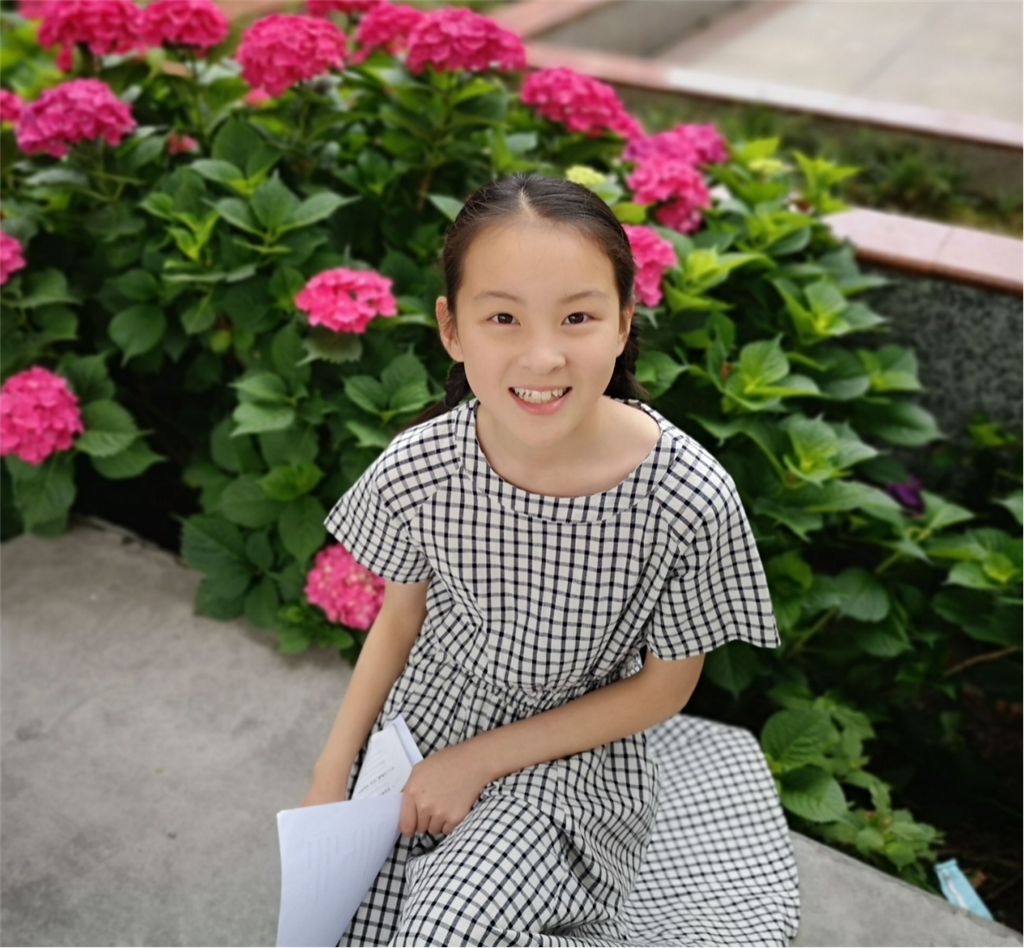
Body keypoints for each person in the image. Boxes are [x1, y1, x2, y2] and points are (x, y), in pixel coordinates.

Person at [301, 172, 796, 946]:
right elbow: (399, 622)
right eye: (503, 317)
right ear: (452, 328)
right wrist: (330, 776)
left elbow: (663, 688)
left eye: (577, 317)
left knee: (445, 932)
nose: (542, 356)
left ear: (624, 321)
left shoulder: (687, 497)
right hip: (423, 733)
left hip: (573, 762)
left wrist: (477, 763)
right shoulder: (420, 466)